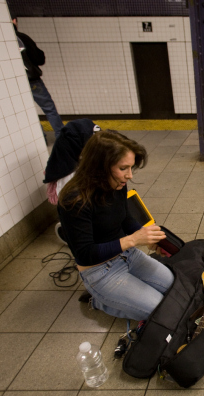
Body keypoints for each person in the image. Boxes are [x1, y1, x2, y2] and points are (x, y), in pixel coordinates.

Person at [58, 130, 174, 321]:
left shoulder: (116, 183)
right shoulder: (74, 200)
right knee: (160, 311)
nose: (129, 175)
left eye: (131, 168)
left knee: (175, 288)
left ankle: (117, 297)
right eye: (123, 168)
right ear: (99, 167)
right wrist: (133, 240)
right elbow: (85, 254)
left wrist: (148, 238)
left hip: (128, 255)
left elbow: (125, 219)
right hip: (99, 271)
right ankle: (99, 301)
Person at [12, 17, 64, 140]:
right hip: (32, 80)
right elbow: (39, 59)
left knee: (27, 112)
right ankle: (62, 138)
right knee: (49, 109)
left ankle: (41, 138)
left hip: (13, 84)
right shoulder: (22, 38)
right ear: (14, 21)